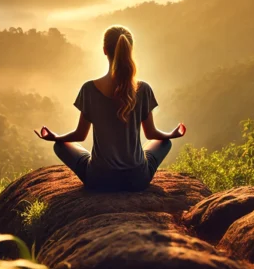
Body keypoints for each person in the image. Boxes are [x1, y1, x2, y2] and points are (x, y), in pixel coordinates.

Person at [34, 25, 186, 191]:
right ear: (130, 49)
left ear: (105, 50)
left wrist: (55, 137)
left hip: (100, 180)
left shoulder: (89, 89)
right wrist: (171, 134)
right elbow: (151, 134)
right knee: (165, 143)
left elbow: (80, 135)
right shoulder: (143, 89)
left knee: (60, 145)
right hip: (137, 179)